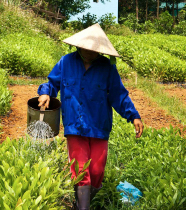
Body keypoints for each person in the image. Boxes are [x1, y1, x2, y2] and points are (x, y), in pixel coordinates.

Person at [37, 24, 144, 210]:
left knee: (96, 170)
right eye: (87, 48)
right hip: (74, 126)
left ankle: (87, 200)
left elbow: (118, 95)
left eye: (94, 50)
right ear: (79, 46)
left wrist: (133, 115)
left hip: (98, 125)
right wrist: (46, 92)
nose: (90, 52)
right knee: (80, 170)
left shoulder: (107, 69)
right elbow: (52, 82)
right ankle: (82, 207)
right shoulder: (66, 62)